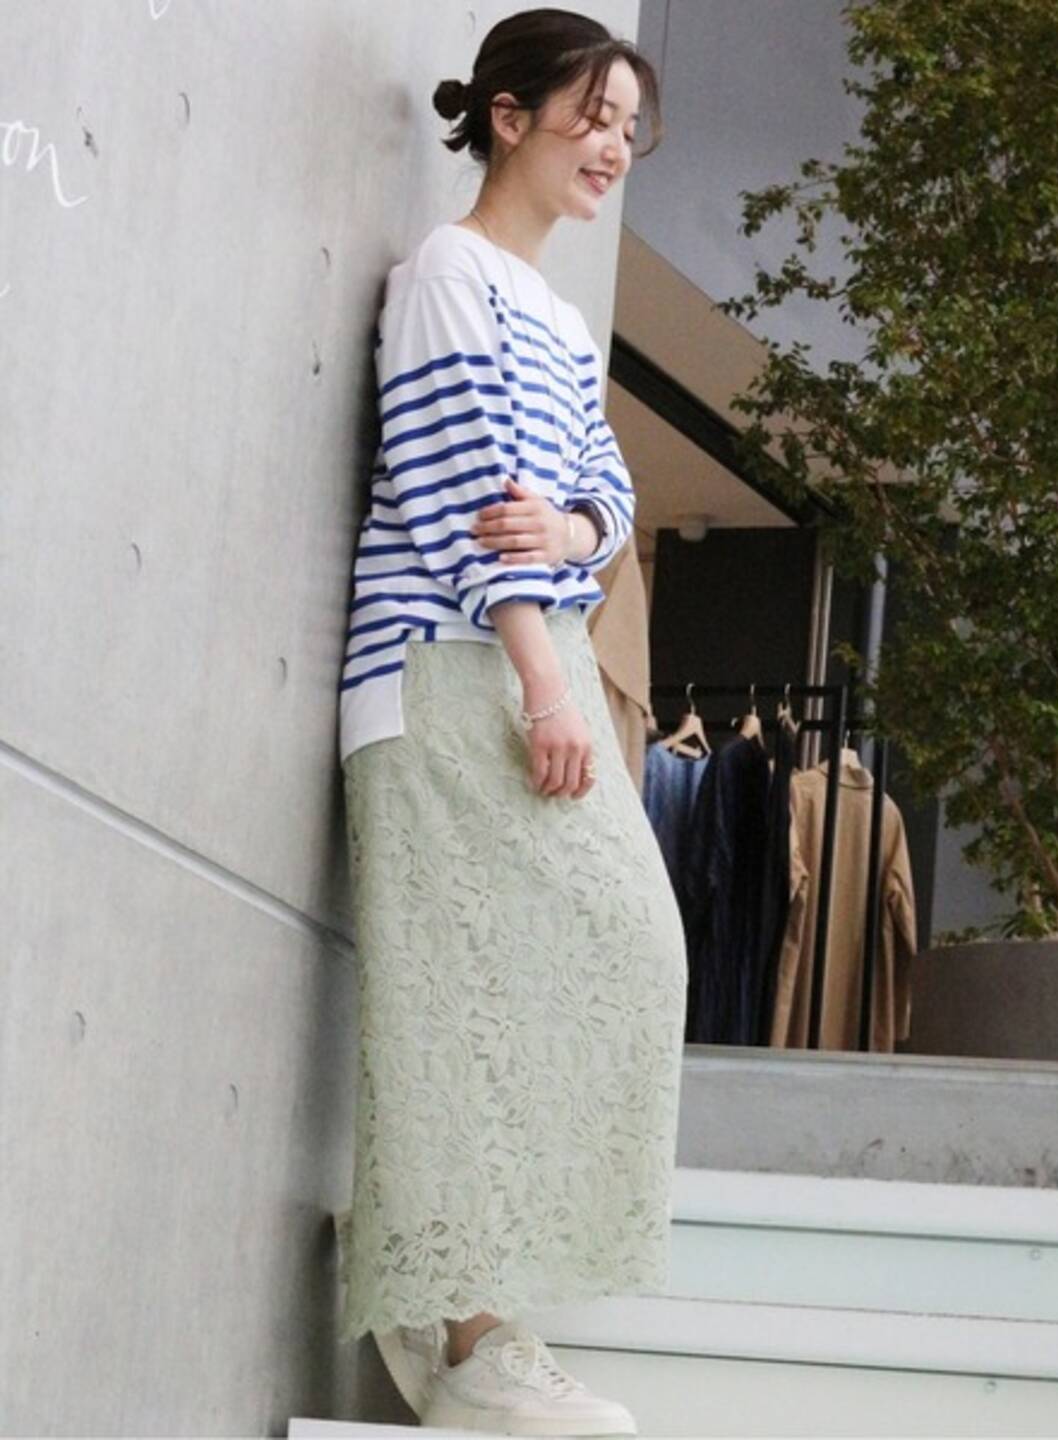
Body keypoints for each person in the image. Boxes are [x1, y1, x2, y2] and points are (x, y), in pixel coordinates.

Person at [333, 10, 687, 1436]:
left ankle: (460, 1297)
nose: (613, 146)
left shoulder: (552, 313)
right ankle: (469, 1334)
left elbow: (610, 498)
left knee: (627, 952)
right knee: (459, 989)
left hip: (530, 671)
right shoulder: (446, 276)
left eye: (629, 127)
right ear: (508, 115)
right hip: (444, 669)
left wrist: (581, 530)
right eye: (592, 115)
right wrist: (546, 677)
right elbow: (458, 485)